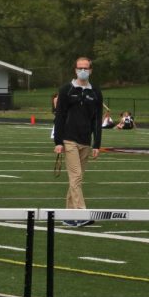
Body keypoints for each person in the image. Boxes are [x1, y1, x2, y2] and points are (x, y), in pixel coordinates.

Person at [53, 57, 102, 227]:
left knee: (77, 180)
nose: (83, 70)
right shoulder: (66, 90)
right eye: (80, 68)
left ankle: (68, 214)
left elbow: (97, 120)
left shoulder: (95, 92)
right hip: (69, 140)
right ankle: (82, 212)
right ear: (75, 70)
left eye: (86, 68)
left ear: (90, 70)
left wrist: (97, 144)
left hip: (85, 141)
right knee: (76, 176)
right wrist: (58, 141)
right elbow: (59, 117)